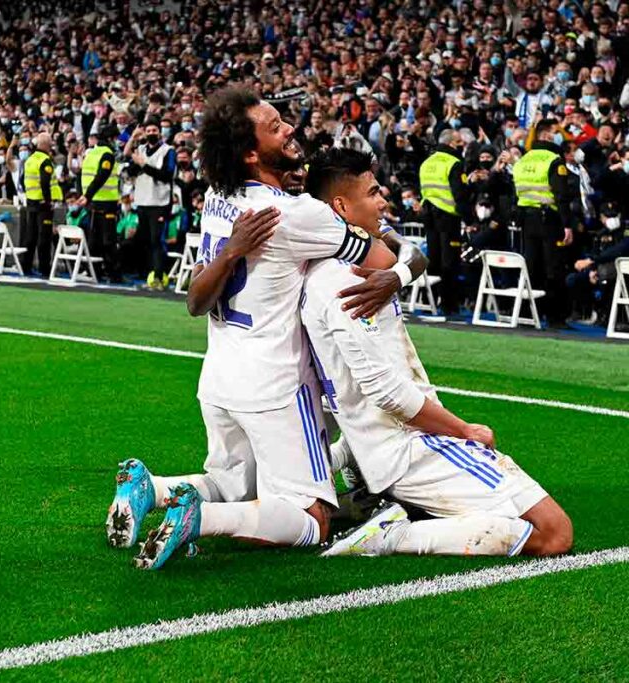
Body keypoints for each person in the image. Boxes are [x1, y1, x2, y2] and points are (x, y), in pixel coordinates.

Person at [107, 86, 411, 571]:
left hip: (219, 378)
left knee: (235, 485)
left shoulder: (218, 196)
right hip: (276, 385)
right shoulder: (296, 214)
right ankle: (199, 519)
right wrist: (376, 226)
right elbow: (381, 258)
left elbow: (196, 300)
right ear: (251, 154)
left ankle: (154, 490)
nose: (289, 128)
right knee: (312, 518)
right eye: (275, 127)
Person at [299, 148, 573, 558]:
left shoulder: (344, 264)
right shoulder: (344, 283)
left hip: (394, 442)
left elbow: (409, 253)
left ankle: (383, 500)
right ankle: (392, 535)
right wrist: (463, 430)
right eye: (372, 193)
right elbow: (386, 393)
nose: (383, 200)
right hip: (408, 445)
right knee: (554, 533)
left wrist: (397, 274)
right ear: (340, 206)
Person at [514, 119, 575, 328]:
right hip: (549, 219)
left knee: (532, 267)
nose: (559, 136)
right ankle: (555, 317)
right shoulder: (554, 160)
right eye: (556, 132)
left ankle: (529, 315)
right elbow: (561, 195)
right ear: (547, 135)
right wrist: (567, 224)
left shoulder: (524, 159)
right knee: (553, 268)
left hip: (527, 218)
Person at [418, 129, 472, 316]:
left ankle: (428, 301)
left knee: (433, 259)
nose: (461, 145)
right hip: (448, 217)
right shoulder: (453, 163)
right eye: (458, 141)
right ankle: (449, 306)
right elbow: (460, 195)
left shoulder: (427, 163)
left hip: (429, 215)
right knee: (450, 262)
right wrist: (469, 220)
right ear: (451, 143)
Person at [125, 117, 176, 289]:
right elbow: (131, 169)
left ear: (159, 132)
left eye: (154, 130)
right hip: (143, 201)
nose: (151, 133)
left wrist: (144, 165)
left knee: (157, 240)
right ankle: (149, 275)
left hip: (160, 202)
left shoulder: (168, 151)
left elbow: (167, 175)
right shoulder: (140, 149)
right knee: (146, 240)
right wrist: (137, 160)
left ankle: (159, 277)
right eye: (148, 131)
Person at [80, 126, 122, 282]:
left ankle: (94, 271)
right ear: (111, 139)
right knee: (108, 240)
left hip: (92, 203)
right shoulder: (107, 154)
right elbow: (101, 176)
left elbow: (82, 176)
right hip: (106, 202)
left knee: (94, 239)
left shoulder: (90, 153)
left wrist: (86, 195)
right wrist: (88, 195)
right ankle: (114, 274)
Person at [21, 132, 61, 276]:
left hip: (31, 201)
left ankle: (26, 266)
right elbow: (45, 182)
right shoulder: (45, 161)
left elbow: (22, 180)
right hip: (43, 204)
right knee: (44, 236)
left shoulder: (30, 160)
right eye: (50, 144)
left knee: (30, 236)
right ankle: (44, 268)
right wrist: (48, 200)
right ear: (46, 145)